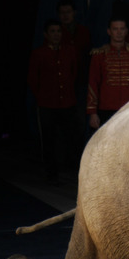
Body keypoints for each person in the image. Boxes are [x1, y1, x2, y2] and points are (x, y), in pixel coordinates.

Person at [28, 20, 83, 184]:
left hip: (67, 102)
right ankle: (51, 173)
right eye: (52, 31)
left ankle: (73, 170)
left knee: (71, 137)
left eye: (58, 31)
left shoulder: (69, 50)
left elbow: (74, 73)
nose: (56, 34)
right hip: (47, 104)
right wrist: (42, 97)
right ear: (46, 34)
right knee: (49, 140)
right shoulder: (39, 53)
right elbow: (33, 79)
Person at [87, 17, 129, 130]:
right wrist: (92, 112)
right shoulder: (99, 55)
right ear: (109, 31)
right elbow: (93, 84)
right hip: (106, 109)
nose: (119, 32)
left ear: (126, 31)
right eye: (115, 29)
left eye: (122, 29)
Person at [56, 0, 91, 86]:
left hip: (82, 77)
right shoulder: (55, 33)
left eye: (68, 12)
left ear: (74, 13)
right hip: (61, 79)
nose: (65, 16)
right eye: (62, 13)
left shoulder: (83, 31)